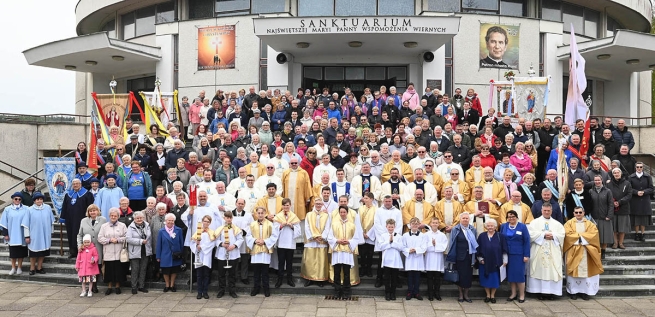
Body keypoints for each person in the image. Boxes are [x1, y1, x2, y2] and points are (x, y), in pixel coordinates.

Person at [526, 203, 565, 300]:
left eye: (548, 211)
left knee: (552, 270)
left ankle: (552, 292)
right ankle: (539, 292)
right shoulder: (534, 222)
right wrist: (543, 235)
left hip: (553, 250)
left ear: (551, 211)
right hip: (538, 250)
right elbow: (530, 234)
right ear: (541, 210)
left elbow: (562, 234)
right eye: (545, 210)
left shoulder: (557, 224)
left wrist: (554, 236)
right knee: (539, 268)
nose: (547, 212)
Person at [563, 206, 604, 300]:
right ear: (573, 213)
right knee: (573, 271)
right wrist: (581, 239)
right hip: (573, 250)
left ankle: (585, 292)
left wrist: (580, 238)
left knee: (587, 273)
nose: (578, 214)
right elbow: (567, 235)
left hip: (587, 251)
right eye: (576, 212)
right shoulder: (568, 224)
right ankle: (573, 292)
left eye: (580, 212)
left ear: (583, 213)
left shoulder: (590, 224)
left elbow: (594, 234)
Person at [246, 207, 280, 297]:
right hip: (256, 250)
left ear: (265, 213)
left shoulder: (270, 224)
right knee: (256, 272)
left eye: (262, 213)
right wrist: (255, 240)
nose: (260, 214)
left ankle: (266, 289)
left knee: (265, 272)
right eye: (259, 213)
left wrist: (265, 241)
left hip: (265, 249)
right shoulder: (252, 224)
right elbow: (248, 236)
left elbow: (274, 236)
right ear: (256, 214)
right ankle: (256, 288)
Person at [327, 206, 358, 299]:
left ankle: (346, 291)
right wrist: (337, 241)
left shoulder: (352, 225)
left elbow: (356, 238)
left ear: (347, 213)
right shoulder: (334, 224)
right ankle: (337, 291)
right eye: (341, 212)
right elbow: (330, 237)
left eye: (344, 212)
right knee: (337, 272)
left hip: (347, 251)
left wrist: (349, 242)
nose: (343, 214)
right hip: (337, 251)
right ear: (339, 213)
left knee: (346, 272)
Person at [446, 212, 478, 303]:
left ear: (469, 220)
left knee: (468, 276)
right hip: (459, 256)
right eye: (463, 218)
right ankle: (460, 294)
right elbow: (452, 243)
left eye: (467, 218)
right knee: (459, 276)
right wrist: (452, 255)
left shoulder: (473, 229)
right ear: (460, 219)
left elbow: (474, 243)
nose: (465, 220)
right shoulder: (455, 229)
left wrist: (475, 256)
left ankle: (466, 294)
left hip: (469, 257)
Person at [499, 210, 530, 303]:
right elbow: (501, 239)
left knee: (519, 275)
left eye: (513, 217)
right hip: (507, 254)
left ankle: (521, 295)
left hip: (518, 255)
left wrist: (526, 255)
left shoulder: (522, 227)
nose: (511, 218)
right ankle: (513, 294)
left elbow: (527, 241)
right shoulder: (503, 226)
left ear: (517, 217)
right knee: (511, 275)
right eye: (509, 217)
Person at [61, 179, 95, 259]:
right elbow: (64, 207)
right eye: (74, 184)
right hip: (70, 219)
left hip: (82, 218)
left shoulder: (87, 194)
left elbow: (90, 207)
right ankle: (73, 252)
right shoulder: (68, 195)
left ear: (81, 184)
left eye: (77, 184)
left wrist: (90, 217)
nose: (75, 185)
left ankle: (81, 251)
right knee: (71, 235)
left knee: (80, 235)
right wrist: (63, 217)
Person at [76, 204, 106, 294]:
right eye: (91, 211)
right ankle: (88, 287)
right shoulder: (84, 221)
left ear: (98, 211)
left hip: (99, 247)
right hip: (86, 249)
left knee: (97, 266)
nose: (93, 212)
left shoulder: (103, 220)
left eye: (94, 210)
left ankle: (94, 285)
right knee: (88, 266)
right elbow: (79, 235)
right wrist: (79, 245)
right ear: (88, 212)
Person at [98, 208, 128, 295]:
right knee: (109, 271)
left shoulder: (122, 226)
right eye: (112, 215)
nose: (113, 217)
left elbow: (127, 237)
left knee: (119, 270)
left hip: (119, 252)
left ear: (118, 216)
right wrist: (109, 240)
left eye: (115, 216)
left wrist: (118, 240)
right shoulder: (104, 226)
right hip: (108, 251)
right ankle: (109, 287)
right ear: (109, 216)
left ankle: (118, 287)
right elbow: (100, 238)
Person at [214, 211, 243, 298]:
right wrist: (222, 244)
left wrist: (234, 245)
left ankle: (232, 291)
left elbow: (240, 239)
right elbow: (215, 239)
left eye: (230, 218)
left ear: (232, 218)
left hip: (233, 253)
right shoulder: (220, 229)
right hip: (222, 254)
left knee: (232, 274)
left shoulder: (236, 229)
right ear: (224, 218)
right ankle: (221, 290)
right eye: (227, 217)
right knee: (221, 274)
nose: (229, 219)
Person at [23, 192, 54, 275]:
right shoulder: (29, 210)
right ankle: (32, 268)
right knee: (33, 253)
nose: (39, 201)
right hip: (35, 235)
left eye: (41, 199)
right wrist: (27, 236)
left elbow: (51, 221)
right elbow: (26, 224)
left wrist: (51, 232)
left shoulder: (47, 208)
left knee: (42, 252)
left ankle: (39, 267)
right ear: (34, 201)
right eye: (37, 199)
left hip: (45, 234)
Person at [301, 198, 330, 287]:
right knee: (310, 260)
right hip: (311, 241)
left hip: (321, 241)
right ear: (314, 204)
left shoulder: (326, 215)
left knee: (321, 261)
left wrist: (322, 237)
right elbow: (307, 227)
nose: (318, 205)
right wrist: (314, 237)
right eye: (317, 203)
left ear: (322, 205)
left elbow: (327, 227)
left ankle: (320, 279)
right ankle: (309, 278)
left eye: (320, 204)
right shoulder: (309, 214)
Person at [476, 219, 507, 303]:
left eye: (492, 226)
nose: (490, 227)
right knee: (486, 279)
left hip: (496, 262)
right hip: (484, 262)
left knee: (494, 279)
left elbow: (504, 249)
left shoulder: (500, 236)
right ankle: (487, 295)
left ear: (495, 226)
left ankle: (493, 295)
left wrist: (505, 260)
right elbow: (478, 249)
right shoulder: (482, 236)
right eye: (488, 226)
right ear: (486, 226)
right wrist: (480, 259)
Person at [274, 198, 301, 288]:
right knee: (281, 262)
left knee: (289, 262)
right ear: (282, 206)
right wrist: (281, 226)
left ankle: (290, 279)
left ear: (290, 206)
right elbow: (274, 229)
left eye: (287, 205)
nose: (286, 207)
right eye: (284, 205)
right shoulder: (278, 216)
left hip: (290, 242)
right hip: (281, 242)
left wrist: (292, 226)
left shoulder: (294, 216)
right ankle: (279, 280)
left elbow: (298, 230)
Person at [1, 192, 29, 275]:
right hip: (12, 234)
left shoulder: (26, 209)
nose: (17, 200)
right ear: (13, 199)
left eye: (19, 199)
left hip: (22, 234)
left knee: (21, 253)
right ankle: (13, 267)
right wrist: (5, 234)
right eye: (16, 199)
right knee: (13, 253)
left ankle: (19, 267)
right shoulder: (7, 209)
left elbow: (28, 221)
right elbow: (3, 222)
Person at [156, 213, 185, 292]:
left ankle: (172, 285)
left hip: (176, 254)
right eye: (169, 220)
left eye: (172, 220)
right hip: (165, 254)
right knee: (165, 271)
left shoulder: (178, 230)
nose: (170, 222)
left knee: (174, 270)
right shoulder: (161, 231)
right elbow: (159, 244)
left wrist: (181, 254)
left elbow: (181, 242)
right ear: (165, 221)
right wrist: (158, 256)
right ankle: (167, 285)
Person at [126, 211, 152, 295]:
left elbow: (149, 237)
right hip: (135, 251)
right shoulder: (131, 227)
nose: (139, 219)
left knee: (143, 269)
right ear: (134, 219)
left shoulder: (147, 225)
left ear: (143, 218)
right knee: (135, 269)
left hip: (145, 250)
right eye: (137, 218)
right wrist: (140, 241)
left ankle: (141, 286)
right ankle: (134, 287)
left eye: (141, 218)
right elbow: (128, 239)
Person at [402, 217, 428, 300]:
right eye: (413, 224)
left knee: (417, 276)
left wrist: (416, 250)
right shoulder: (405, 235)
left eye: (416, 224)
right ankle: (409, 292)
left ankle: (416, 292)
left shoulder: (422, 236)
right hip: (410, 257)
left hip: (418, 258)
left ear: (419, 225)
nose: (414, 225)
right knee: (409, 276)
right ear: (410, 225)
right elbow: (403, 246)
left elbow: (424, 247)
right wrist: (408, 250)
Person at [606, 168, 632, 249]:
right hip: (612, 208)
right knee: (614, 227)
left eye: (618, 173)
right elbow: (607, 194)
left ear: (621, 174)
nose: (617, 174)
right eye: (615, 173)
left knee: (622, 227)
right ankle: (615, 243)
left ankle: (621, 243)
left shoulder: (627, 183)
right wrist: (612, 202)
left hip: (623, 208)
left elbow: (629, 195)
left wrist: (620, 202)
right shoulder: (608, 184)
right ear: (613, 174)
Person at [192, 215, 216, 299]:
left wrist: (202, 247)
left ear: (210, 223)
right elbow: (193, 241)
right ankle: (199, 292)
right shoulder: (198, 231)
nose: (206, 223)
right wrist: (196, 244)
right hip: (199, 254)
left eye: (208, 221)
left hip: (207, 254)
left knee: (206, 274)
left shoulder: (212, 232)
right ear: (202, 222)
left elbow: (212, 244)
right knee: (199, 275)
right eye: (205, 221)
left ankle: (205, 291)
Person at [629, 162, 653, 242]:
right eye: (637, 167)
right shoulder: (631, 177)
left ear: (643, 168)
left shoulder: (647, 177)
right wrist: (636, 192)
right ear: (635, 168)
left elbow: (651, 188)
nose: (639, 168)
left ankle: (642, 234)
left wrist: (644, 192)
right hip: (635, 200)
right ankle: (636, 234)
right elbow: (629, 189)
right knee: (636, 219)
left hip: (645, 200)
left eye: (641, 167)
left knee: (643, 219)